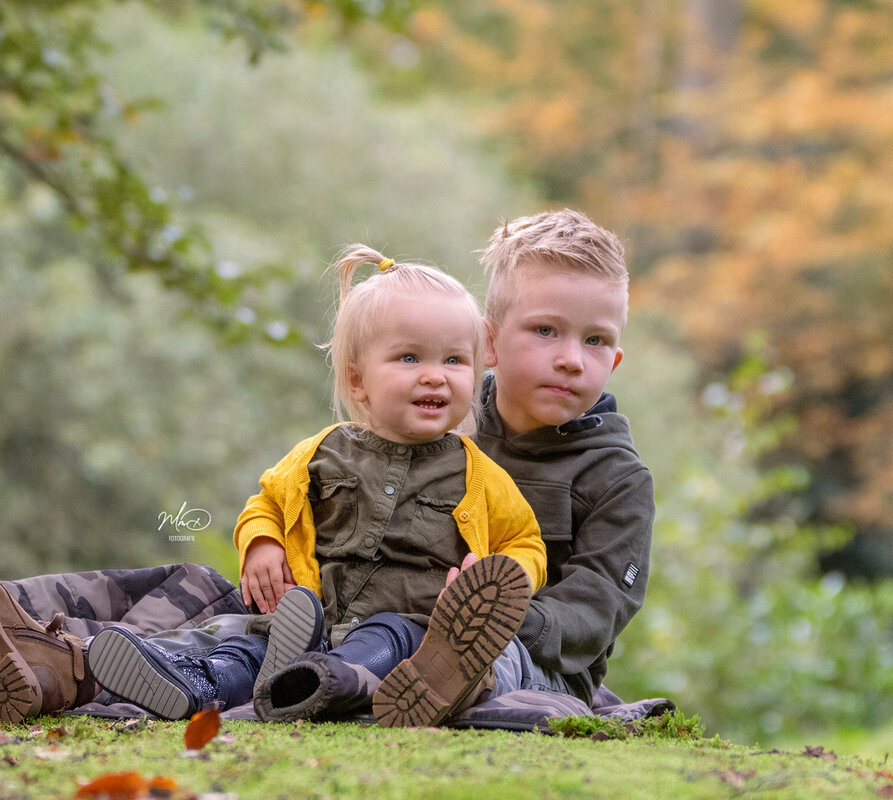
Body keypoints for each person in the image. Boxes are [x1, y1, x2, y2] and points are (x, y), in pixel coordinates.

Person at [85, 245, 547, 725]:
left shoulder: (481, 476)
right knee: (251, 647)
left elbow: (526, 542)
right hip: (312, 622)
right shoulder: (321, 453)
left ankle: (316, 684)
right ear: (358, 381)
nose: (435, 376)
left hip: (414, 630)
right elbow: (267, 501)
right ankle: (199, 683)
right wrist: (262, 542)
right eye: (409, 358)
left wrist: (495, 574)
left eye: (454, 360)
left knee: (384, 639)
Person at [465, 208, 653, 707]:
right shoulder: (447, 428)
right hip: (408, 620)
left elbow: (599, 602)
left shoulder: (618, 479)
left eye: (595, 340)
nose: (572, 358)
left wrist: (499, 618)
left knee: (484, 662)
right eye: (546, 330)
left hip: (540, 669)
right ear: (490, 342)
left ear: (613, 362)